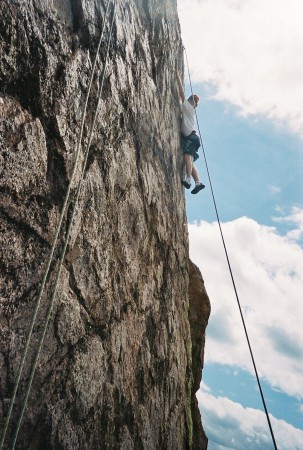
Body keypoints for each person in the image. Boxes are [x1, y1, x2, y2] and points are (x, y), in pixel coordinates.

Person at [176, 72, 205, 194]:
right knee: (190, 161)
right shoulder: (189, 110)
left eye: (191, 101)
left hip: (191, 138)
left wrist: (178, 78)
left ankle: (188, 179)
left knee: (187, 156)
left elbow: (182, 95)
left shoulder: (189, 108)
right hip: (193, 138)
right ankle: (198, 182)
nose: (191, 102)